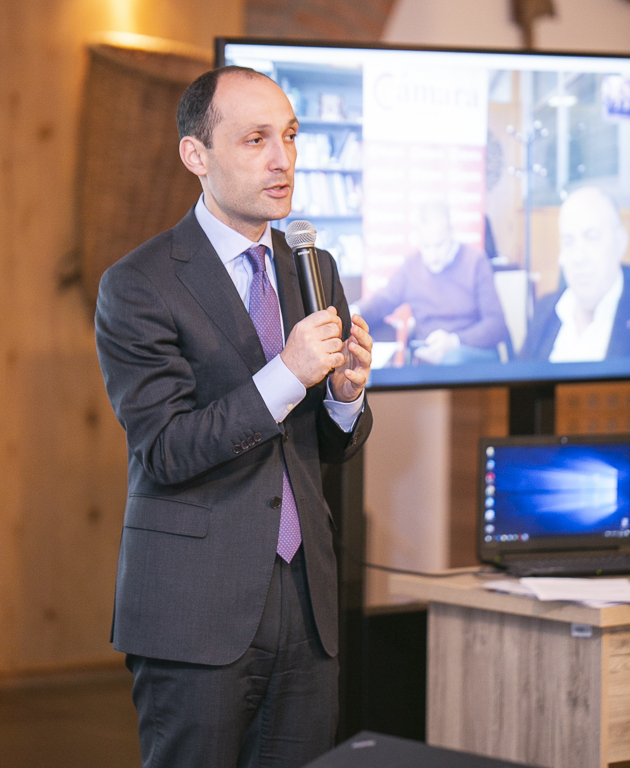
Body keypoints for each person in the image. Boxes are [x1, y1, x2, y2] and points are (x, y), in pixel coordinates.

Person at [95, 65, 373, 768]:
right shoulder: (139, 284)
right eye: (256, 140)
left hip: (306, 606)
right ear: (197, 155)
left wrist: (344, 397)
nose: (283, 159)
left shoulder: (314, 267)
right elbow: (166, 449)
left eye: (290, 136)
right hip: (195, 607)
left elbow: (317, 446)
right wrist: (288, 373)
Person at [355, 202, 510, 365]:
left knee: (452, 360)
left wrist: (454, 342)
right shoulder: (411, 267)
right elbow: (382, 301)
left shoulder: (475, 262)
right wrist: (350, 313)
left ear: (451, 233)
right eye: (426, 246)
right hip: (428, 358)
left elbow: (497, 325)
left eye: (439, 245)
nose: (433, 256)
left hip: (471, 355)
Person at [520, 187, 630, 361]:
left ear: (620, 242)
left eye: (591, 237)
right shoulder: (546, 310)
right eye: (569, 241)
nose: (578, 257)